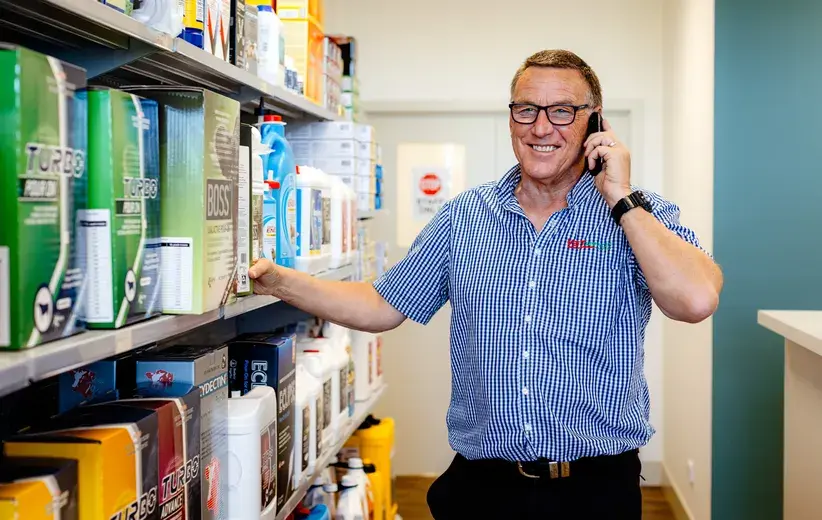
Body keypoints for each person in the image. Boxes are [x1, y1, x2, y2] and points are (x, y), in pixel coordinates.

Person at [249, 49, 723, 518]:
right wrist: (280, 281)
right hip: (482, 490)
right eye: (526, 109)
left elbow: (697, 299)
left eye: (562, 111)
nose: (541, 128)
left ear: (595, 122)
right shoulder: (464, 217)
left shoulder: (638, 215)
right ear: (511, 118)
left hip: (595, 491)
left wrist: (620, 196)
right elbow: (379, 304)